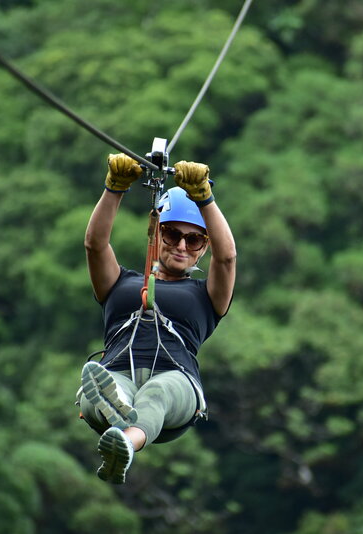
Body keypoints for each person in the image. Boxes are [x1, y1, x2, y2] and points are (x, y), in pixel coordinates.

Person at [77, 153, 236, 484]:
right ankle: (115, 416)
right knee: (105, 393)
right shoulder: (120, 283)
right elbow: (95, 245)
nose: (181, 245)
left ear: (204, 246)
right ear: (155, 232)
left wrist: (205, 198)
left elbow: (228, 257)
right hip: (117, 370)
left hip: (176, 380)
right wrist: (115, 188)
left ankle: (125, 444)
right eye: (171, 234)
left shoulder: (206, 296)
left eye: (193, 239)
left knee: (156, 393)